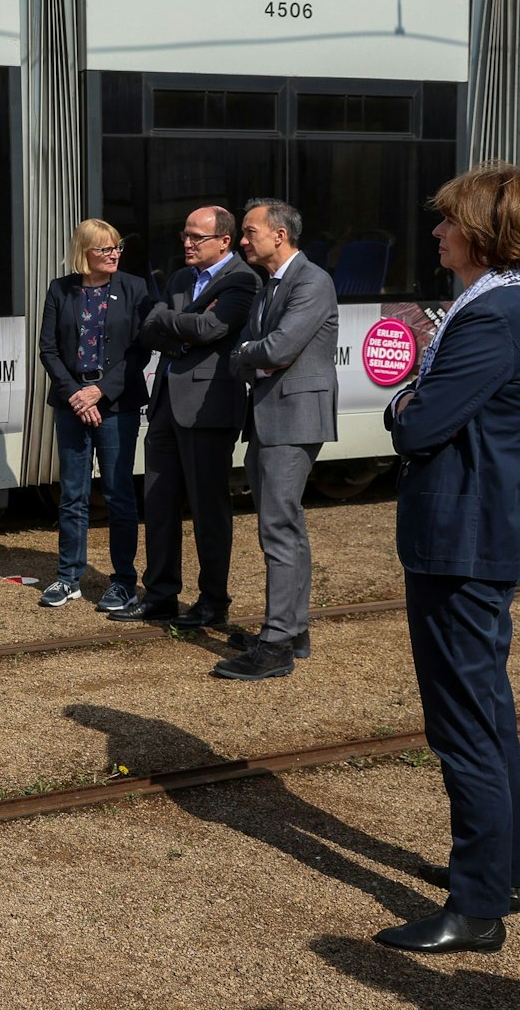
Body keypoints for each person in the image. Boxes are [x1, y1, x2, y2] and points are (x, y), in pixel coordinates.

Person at [374, 163, 520, 955]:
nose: (437, 231)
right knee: (487, 712)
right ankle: (504, 871)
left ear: (484, 233)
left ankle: (479, 902)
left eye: (449, 221)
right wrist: (417, 395)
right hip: (476, 536)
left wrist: (401, 400)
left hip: (462, 541)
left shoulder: (494, 318)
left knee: (464, 725)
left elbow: (418, 426)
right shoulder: (506, 309)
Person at [112, 206, 258, 628]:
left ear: (224, 241)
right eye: (185, 235)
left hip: (210, 408)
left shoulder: (243, 280)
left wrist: (170, 324)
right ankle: (160, 596)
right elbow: (149, 331)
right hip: (165, 405)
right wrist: (180, 333)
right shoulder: (179, 278)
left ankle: (214, 602)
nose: (188, 243)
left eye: (197, 237)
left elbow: (212, 329)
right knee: (157, 504)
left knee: (209, 509)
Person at [213, 199, 338, 680]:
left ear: (279, 235)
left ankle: (278, 643)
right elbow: (246, 351)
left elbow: (280, 348)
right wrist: (255, 354)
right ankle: (293, 629)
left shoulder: (311, 281)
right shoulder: (273, 284)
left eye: (249, 232)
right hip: (272, 415)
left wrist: (253, 354)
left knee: (278, 528)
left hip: (294, 417)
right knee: (285, 526)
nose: (242, 241)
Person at [35, 219, 154, 610]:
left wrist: (100, 391)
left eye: (117, 247)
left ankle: (122, 581)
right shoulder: (60, 290)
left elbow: (140, 350)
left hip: (116, 404)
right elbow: (48, 349)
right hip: (73, 405)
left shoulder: (134, 288)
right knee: (73, 494)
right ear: (84, 252)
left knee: (119, 494)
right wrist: (76, 395)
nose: (114, 254)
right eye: (105, 249)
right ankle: (68, 577)